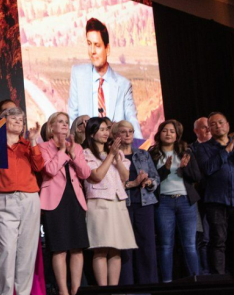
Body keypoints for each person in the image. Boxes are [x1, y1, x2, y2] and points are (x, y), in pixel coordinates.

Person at [194, 112, 234, 278]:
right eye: (213, 124)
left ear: (227, 125)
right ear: (209, 129)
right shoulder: (203, 148)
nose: (217, 126)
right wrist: (227, 150)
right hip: (216, 201)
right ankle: (219, 279)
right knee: (218, 241)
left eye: (221, 122)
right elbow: (207, 169)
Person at [0, 107, 43, 295]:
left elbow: (39, 166)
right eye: (14, 118)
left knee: (26, 252)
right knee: (6, 250)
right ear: (3, 121)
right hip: (4, 199)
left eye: (21, 119)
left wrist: (34, 141)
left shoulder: (28, 145)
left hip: (29, 199)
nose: (19, 121)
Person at [39, 112, 91, 295]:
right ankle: (63, 291)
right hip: (54, 201)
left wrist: (73, 154)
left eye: (66, 122)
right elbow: (50, 170)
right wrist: (61, 151)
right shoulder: (43, 147)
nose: (64, 125)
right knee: (59, 249)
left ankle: (76, 290)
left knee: (77, 248)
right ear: (51, 127)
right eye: (60, 122)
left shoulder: (76, 147)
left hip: (75, 199)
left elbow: (85, 174)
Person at [82, 117, 137, 286]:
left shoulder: (116, 153)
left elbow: (125, 176)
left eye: (107, 129)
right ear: (92, 133)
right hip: (99, 203)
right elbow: (97, 175)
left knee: (116, 249)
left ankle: (114, 289)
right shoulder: (86, 153)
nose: (106, 132)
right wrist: (110, 155)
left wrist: (115, 157)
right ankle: (103, 289)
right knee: (100, 249)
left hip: (117, 203)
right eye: (101, 129)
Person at [67, 18, 142, 139]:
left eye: (97, 45)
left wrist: (141, 148)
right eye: (89, 44)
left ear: (107, 49)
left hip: (114, 146)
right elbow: (72, 117)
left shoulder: (123, 85)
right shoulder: (78, 74)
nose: (92, 51)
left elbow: (132, 121)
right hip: (85, 147)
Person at [150, 120, 202, 282]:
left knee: (190, 245)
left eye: (172, 131)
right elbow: (151, 180)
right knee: (165, 245)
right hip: (164, 203)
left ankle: (196, 280)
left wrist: (185, 168)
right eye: (165, 130)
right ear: (159, 133)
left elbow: (196, 177)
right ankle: (167, 282)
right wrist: (165, 168)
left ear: (177, 135)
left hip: (186, 202)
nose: (168, 134)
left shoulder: (186, 151)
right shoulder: (153, 153)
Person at [115, 120, 159, 285]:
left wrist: (149, 182)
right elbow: (112, 183)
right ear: (116, 135)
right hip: (122, 205)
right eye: (123, 131)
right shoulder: (113, 156)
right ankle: (127, 287)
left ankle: (148, 286)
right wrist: (132, 184)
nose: (128, 134)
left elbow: (155, 178)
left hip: (144, 204)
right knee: (125, 248)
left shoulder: (143, 154)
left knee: (147, 246)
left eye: (130, 131)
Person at [192, 116, 211, 274]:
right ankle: (205, 273)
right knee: (203, 238)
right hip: (200, 199)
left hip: (219, 198)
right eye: (205, 127)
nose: (209, 129)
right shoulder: (191, 149)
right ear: (196, 131)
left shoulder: (220, 147)